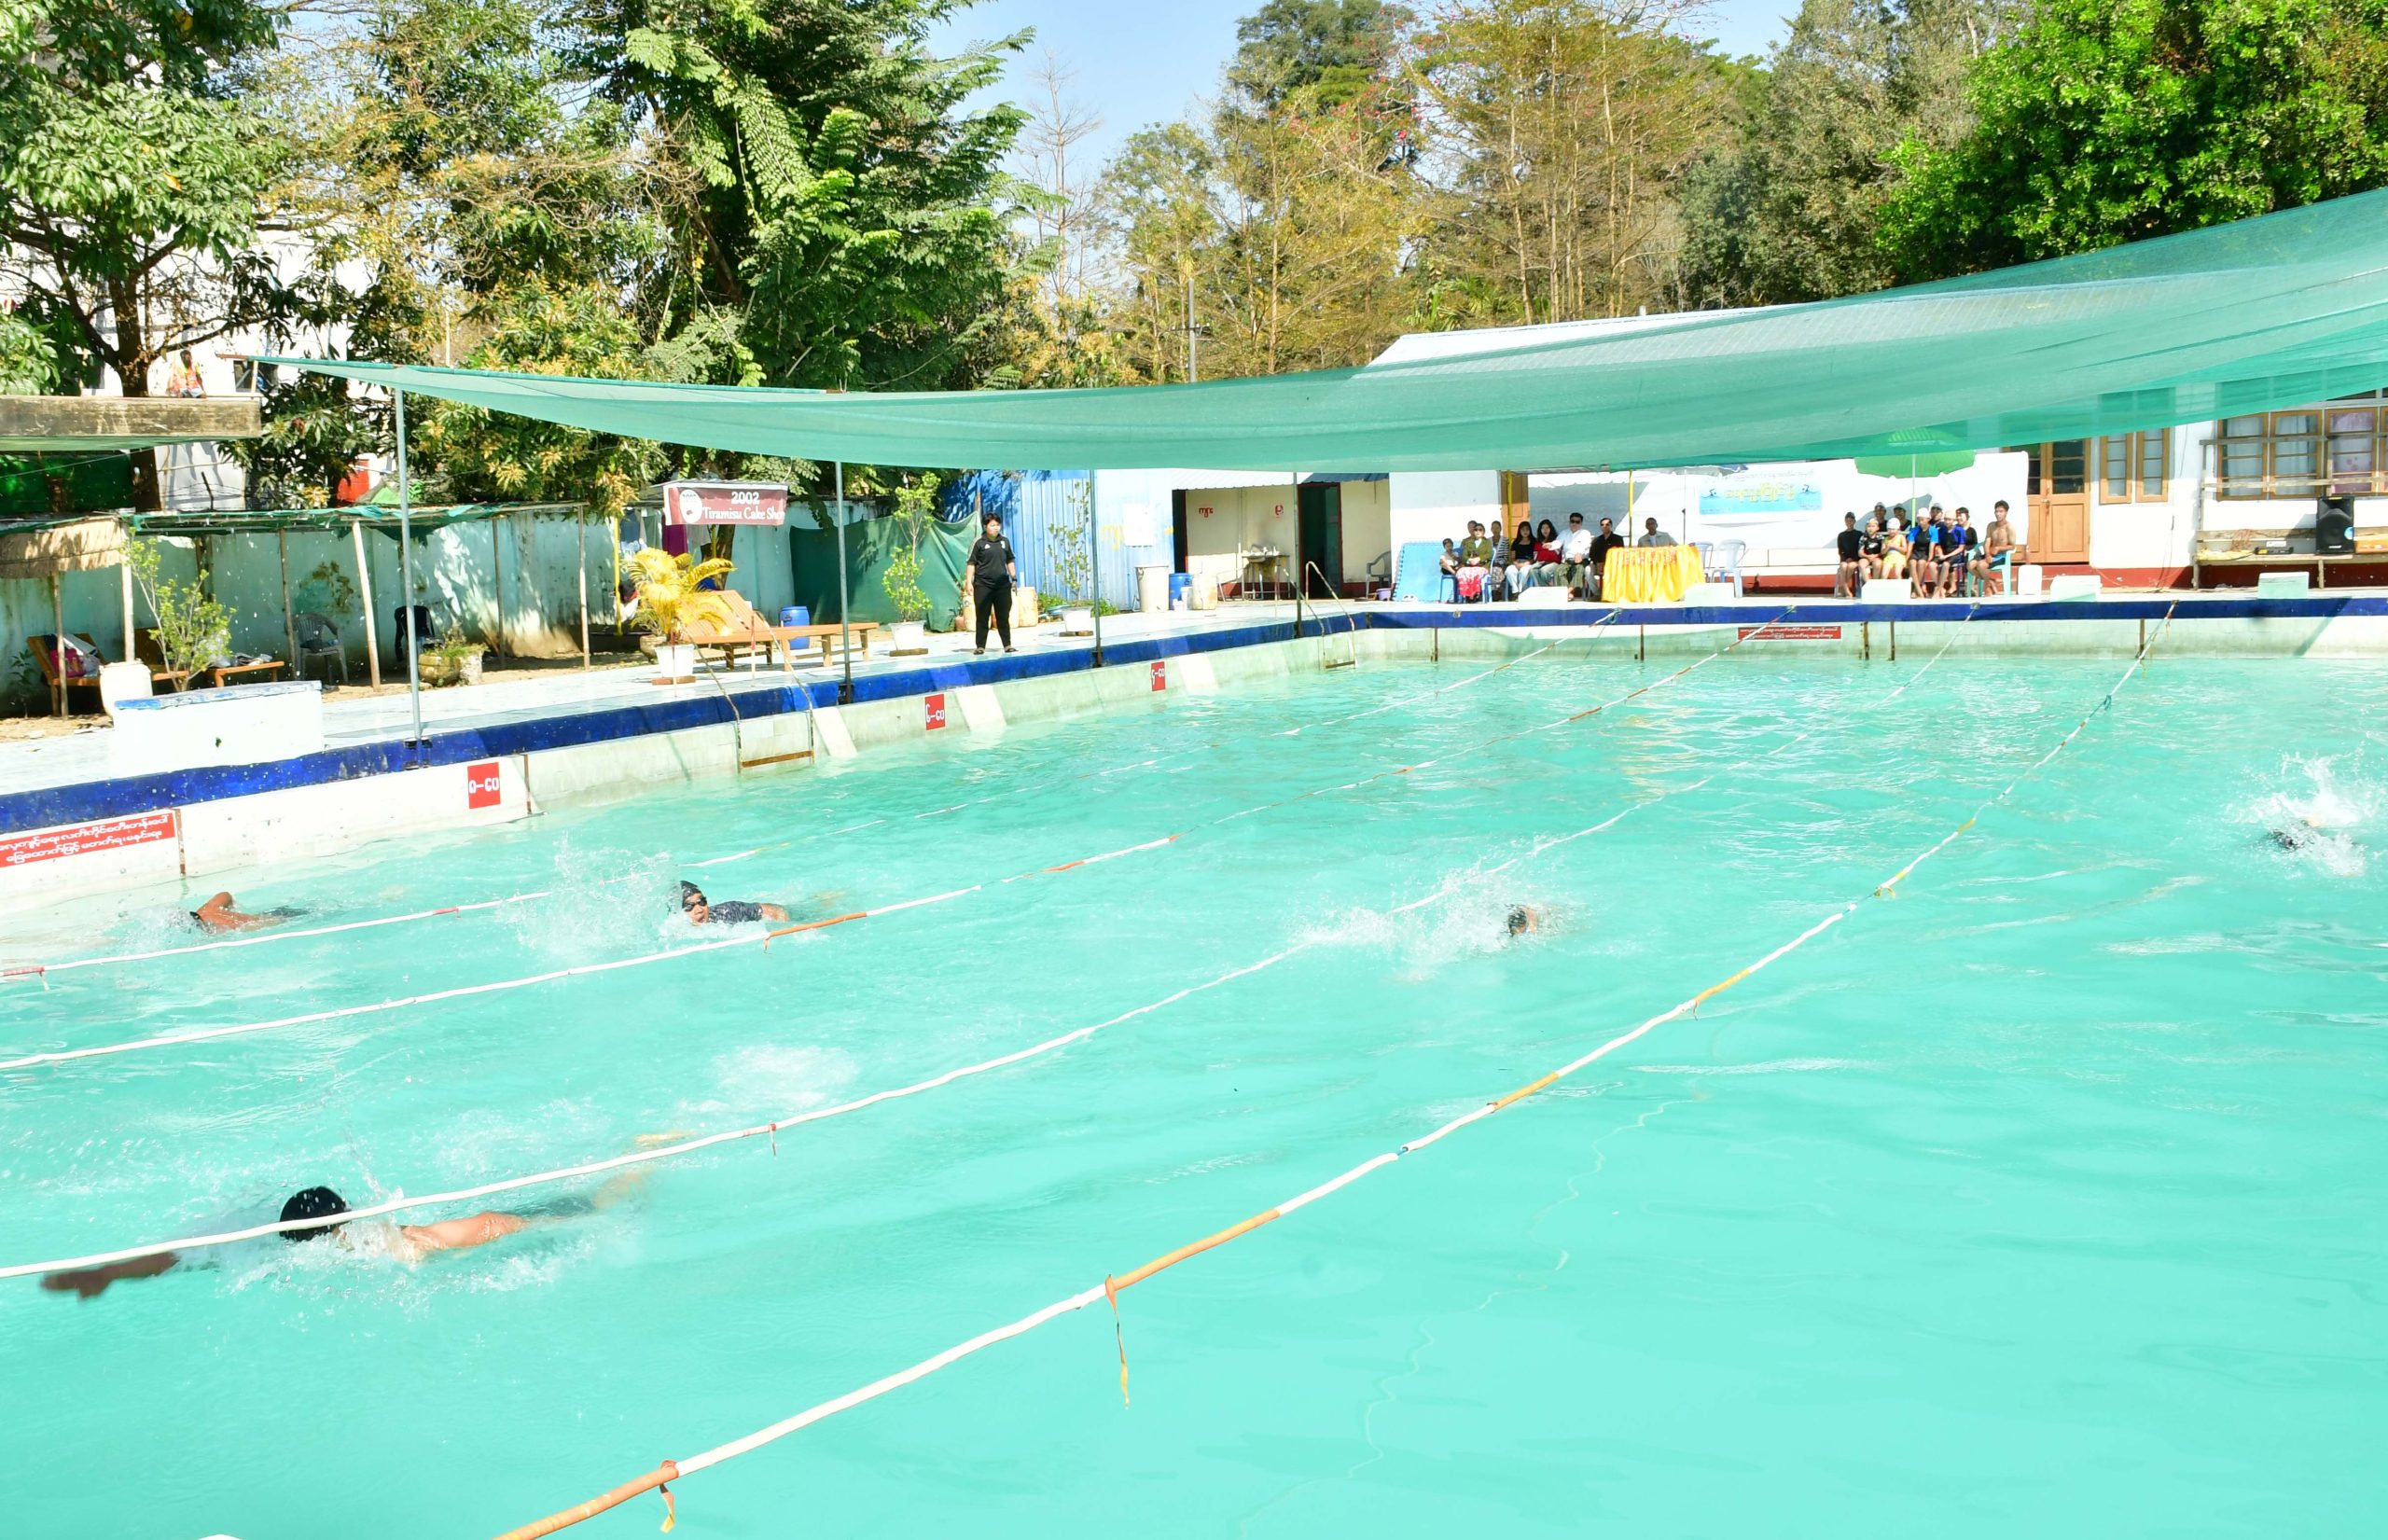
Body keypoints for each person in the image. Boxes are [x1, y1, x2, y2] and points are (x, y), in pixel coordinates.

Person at [40, 1186, 551, 1299]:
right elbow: (481, 1224)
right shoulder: (381, 1243)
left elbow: (173, 1258)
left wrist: (106, 1273)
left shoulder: (253, 1243)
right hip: (426, 1245)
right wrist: (540, 1222)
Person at [966, 511, 1018, 656]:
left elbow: (1010, 560)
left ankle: (1007, 645)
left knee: (1003, 616)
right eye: (993, 525)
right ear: (985, 526)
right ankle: (980, 646)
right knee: (982, 616)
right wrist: (969, 583)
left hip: (1002, 585)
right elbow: (971, 563)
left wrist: (1014, 578)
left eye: (998, 525)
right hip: (983, 585)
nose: (996, 528)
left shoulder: (1005, 541)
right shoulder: (978, 542)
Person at [680, 881, 788, 925]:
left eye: (702, 902)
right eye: (689, 906)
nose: (699, 910)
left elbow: (775, 911)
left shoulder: (727, 912)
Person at [188, 892, 291, 934]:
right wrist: (234, 911)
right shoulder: (206, 909)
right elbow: (225, 894)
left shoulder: (224, 925)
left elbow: (260, 925)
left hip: (281, 918)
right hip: (268, 913)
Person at [1981, 500, 2019, 593]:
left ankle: (1987, 589)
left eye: (2001, 511)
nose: (1998, 514)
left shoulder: (2009, 528)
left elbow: (2012, 546)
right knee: (1971, 565)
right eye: (1996, 511)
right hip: (1990, 555)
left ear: (2006, 512)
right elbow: (1987, 542)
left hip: (2001, 557)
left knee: (1981, 565)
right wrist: (1987, 555)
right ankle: (1991, 581)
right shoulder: (1991, 526)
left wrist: (1998, 548)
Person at [1557, 512, 1595, 597]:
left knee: (1579, 570)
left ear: (1581, 523)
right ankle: (1569, 593)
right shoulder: (1564, 533)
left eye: (1577, 522)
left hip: (1581, 560)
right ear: (1569, 522)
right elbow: (1558, 542)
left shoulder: (1585, 533)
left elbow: (1585, 545)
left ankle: (1566, 592)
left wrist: (1579, 553)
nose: (1574, 524)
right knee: (1559, 571)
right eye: (1572, 521)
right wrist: (1551, 545)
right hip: (1567, 561)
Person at [1506, 518, 1541, 597]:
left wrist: (1526, 563)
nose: (1525, 531)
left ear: (1530, 530)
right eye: (1523, 530)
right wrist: (1516, 563)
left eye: (1527, 529)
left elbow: (1535, 557)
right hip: (1517, 563)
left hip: (1529, 563)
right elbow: (1513, 557)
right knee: (1509, 570)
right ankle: (1515, 591)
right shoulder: (1516, 542)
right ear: (1519, 531)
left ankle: (1521, 590)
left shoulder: (1534, 541)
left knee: (1524, 572)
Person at [1833, 512, 1865, 598]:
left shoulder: (1859, 534)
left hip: (1855, 559)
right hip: (1845, 559)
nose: (1849, 523)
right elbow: (1840, 551)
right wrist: (1845, 558)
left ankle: (1842, 588)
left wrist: (1853, 558)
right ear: (1845, 522)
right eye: (1847, 521)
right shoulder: (1841, 535)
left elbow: (1860, 548)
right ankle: (1846, 589)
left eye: (1851, 521)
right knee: (1843, 566)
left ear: (1854, 521)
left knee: (1850, 566)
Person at [1880, 513, 1910, 581]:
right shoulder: (1885, 539)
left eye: (1893, 529)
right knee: (1883, 575)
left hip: (1899, 557)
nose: (1891, 531)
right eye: (1889, 529)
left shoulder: (1901, 537)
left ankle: (1900, 586)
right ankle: (1882, 587)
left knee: (1897, 574)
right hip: (1888, 558)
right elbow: (1882, 552)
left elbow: (1904, 549)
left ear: (1898, 529)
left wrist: (1895, 546)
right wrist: (1887, 547)